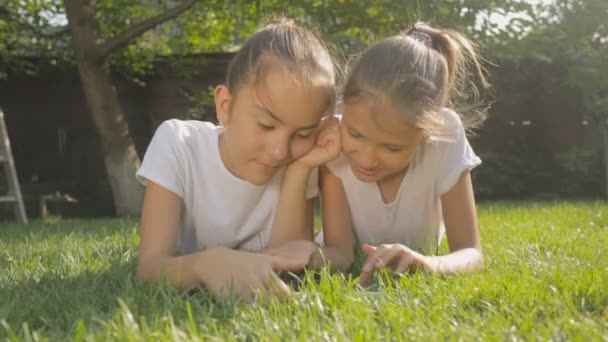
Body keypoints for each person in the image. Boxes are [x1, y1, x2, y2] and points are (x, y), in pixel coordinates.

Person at [270, 22, 490, 285]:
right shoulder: (334, 144)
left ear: (425, 134)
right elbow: (340, 253)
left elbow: (471, 252)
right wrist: (307, 258)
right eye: (356, 134)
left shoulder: (445, 136)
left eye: (392, 148)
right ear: (344, 109)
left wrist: (429, 264)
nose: (367, 159)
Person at [135, 18, 337, 300]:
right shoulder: (179, 144)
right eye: (266, 125)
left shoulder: (303, 158)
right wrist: (207, 263)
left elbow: (288, 266)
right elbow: (150, 269)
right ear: (225, 106)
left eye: (302, 133)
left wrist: (300, 169)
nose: (280, 151)